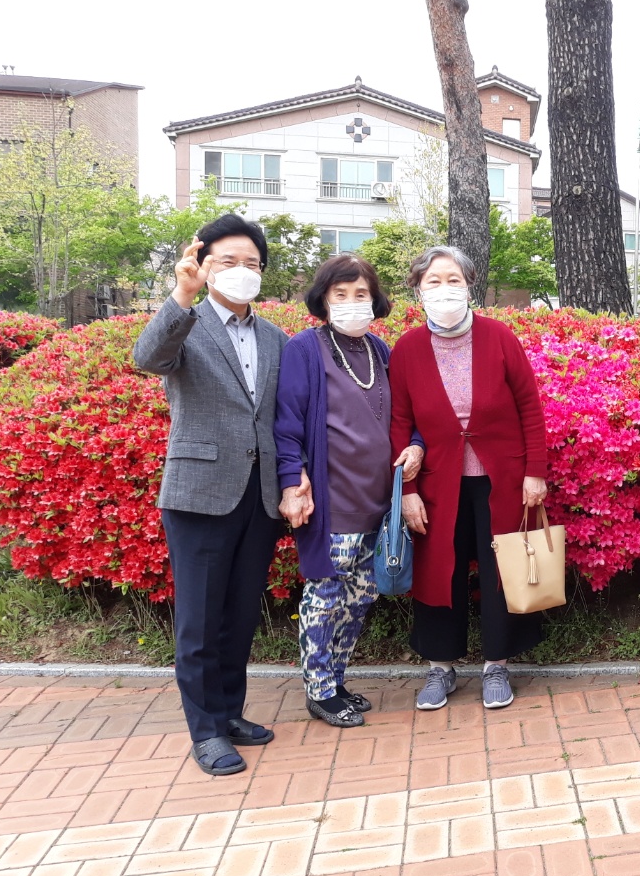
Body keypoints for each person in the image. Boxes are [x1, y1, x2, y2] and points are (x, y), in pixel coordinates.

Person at [133, 214, 288, 776]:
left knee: (241, 615)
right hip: (199, 493)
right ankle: (206, 733)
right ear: (204, 265)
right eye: (228, 260)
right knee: (199, 621)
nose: (242, 270)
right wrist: (182, 294)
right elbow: (147, 358)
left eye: (252, 262)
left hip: (259, 494)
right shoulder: (187, 324)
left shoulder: (276, 339)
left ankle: (229, 713)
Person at [391, 246, 549, 712]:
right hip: (437, 482)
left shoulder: (499, 336)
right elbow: (399, 423)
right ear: (418, 290)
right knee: (439, 569)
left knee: (503, 569)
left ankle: (496, 664)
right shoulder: (407, 348)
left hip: (503, 476)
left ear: (469, 285)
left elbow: (530, 407)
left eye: (453, 280)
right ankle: (440, 667)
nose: (444, 290)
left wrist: (535, 472)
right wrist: (407, 491)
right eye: (434, 282)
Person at [274, 254, 425, 728]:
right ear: (323, 299)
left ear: (374, 299)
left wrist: (416, 445)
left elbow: (408, 414)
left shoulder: (381, 350)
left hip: (378, 502)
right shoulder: (304, 349)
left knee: (360, 597)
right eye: (340, 294)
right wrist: (291, 479)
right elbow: (286, 425)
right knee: (326, 595)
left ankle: (336, 682)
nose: (352, 302)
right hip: (332, 502)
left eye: (361, 293)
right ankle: (319, 691)